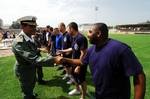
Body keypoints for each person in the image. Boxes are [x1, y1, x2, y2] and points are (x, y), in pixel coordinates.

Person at [60, 23, 146, 99]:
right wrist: (64, 60)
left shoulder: (120, 49)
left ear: (98, 33)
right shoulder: (91, 50)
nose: (87, 35)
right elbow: (82, 62)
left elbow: (139, 75)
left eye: (90, 32)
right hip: (99, 95)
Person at [12, 16, 61, 99]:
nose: (35, 28)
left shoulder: (28, 37)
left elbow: (31, 49)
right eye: (31, 26)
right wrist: (54, 59)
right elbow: (34, 59)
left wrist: (39, 49)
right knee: (26, 89)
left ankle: (31, 94)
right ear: (23, 27)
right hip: (24, 71)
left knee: (32, 83)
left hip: (30, 68)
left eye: (35, 26)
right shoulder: (19, 42)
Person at [58, 22, 88, 99]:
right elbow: (72, 48)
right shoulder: (74, 37)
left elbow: (84, 53)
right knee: (74, 77)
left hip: (80, 63)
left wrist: (79, 66)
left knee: (82, 80)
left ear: (71, 29)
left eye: (68, 29)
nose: (67, 31)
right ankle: (77, 89)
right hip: (74, 61)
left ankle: (83, 96)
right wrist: (63, 51)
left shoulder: (81, 38)